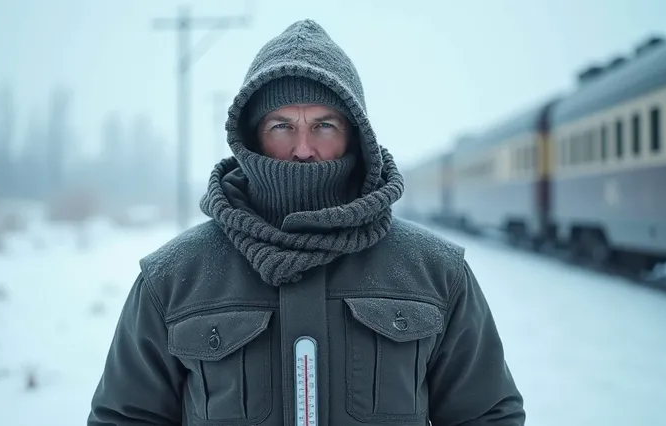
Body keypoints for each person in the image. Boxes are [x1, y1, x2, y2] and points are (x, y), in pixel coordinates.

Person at [88, 19, 525, 426]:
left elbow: (486, 415)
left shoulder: (434, 272)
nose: (302, 148)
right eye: (281, 125)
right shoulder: (174, 277)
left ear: (356, 135)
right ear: (251, 135)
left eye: (324, 125)